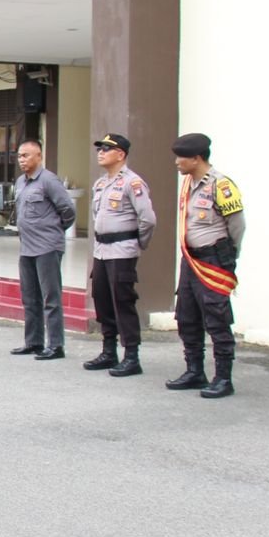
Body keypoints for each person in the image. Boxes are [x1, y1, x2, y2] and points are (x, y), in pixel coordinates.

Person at [169, 132, 247, 399]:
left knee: (217, 318)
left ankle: (223, 378)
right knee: (187, 317)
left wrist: (228, 256)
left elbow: (237, 226)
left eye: (181, 157)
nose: (177, 162)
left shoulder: (221, 185)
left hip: (213, 261)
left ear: (196, 158)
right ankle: (194, 371)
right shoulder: (188, 185)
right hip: (190, 261)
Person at [83, 133, 156, 377]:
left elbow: (148, 220)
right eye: (99, 149)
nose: (100, 152)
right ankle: (108, 351)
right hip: (102, 251)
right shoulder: (101, 183)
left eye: (107, 148)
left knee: (123, 302)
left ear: (121, 154)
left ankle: (132, 356)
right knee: (102, 299)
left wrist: (137, 244)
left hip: (122, 250)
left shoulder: (133, 183)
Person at [10, 139, 77, 360]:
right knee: (30, 297)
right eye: (20, 156)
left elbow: (67, 210)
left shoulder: (49, 180)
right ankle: (34, 342)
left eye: (26, 155)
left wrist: (54, 231)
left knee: (51, 297)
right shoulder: (21, 182)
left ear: (39, 156)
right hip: (27, 248)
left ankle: (56, 345)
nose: (22, 160)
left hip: (47, 247)